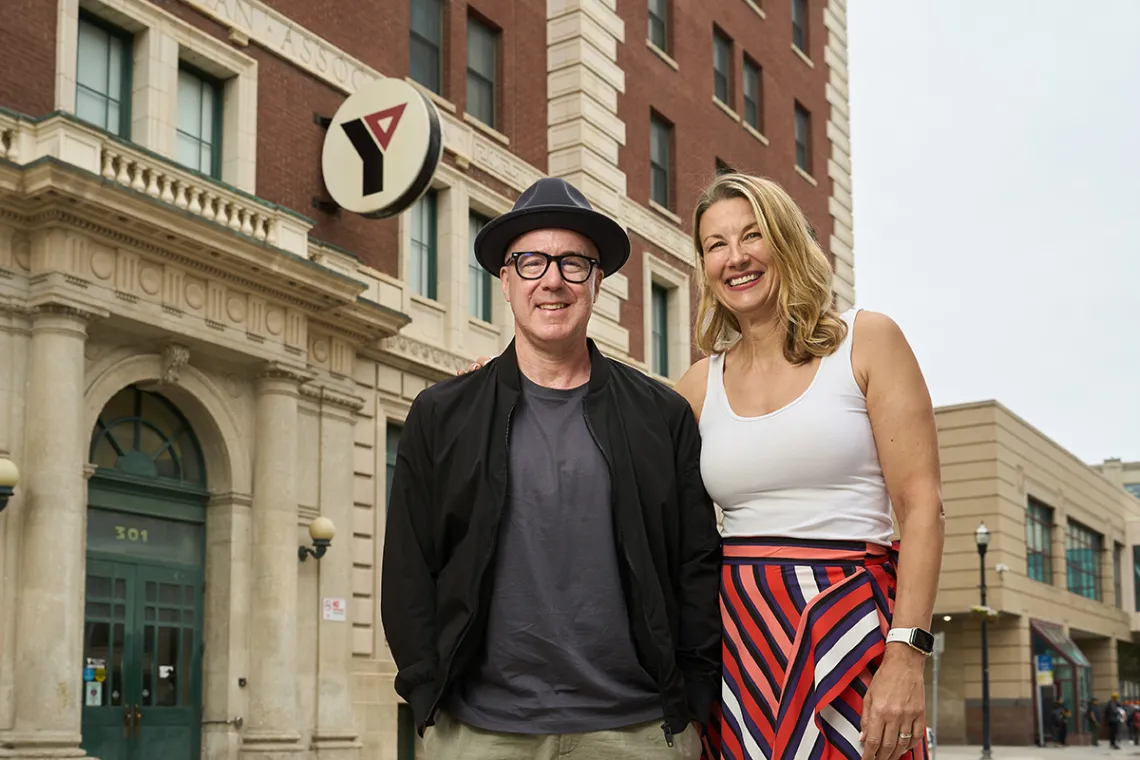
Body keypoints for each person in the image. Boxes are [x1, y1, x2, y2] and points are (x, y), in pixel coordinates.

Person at [381, 177, 721, 760]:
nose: (553, 280)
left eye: (572, 263)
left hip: (636, 729)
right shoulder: (442, 414)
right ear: (506, 281)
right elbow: (410, 567)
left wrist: (692, 701)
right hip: (480, 731)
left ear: (597, 281)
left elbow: (695, 565)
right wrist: (425, 691)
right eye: (532, 262)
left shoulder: (660, 415)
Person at [670, 172, 945, 760]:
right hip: (738, 640)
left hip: (850, 625)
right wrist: (504, 384)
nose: (735, 257)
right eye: (716, 245)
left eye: (752, 235)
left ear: (787, 241)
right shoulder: (697, 385)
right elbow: (618, 457)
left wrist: (907, 653)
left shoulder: (867, 341)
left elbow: (922, 508)